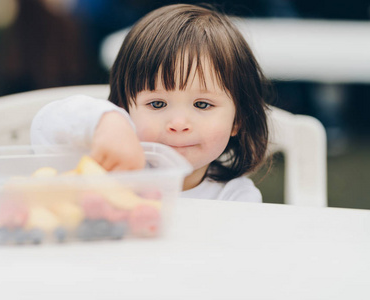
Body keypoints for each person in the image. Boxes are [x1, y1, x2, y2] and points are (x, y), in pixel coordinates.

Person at [31, 4, 270, 202]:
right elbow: (44, 130)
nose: (178, 123)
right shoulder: (111, 171)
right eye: (157, 104)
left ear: (238, 120)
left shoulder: (237, 197)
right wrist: (107, 122)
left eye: (202, 105)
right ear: (125, 109)